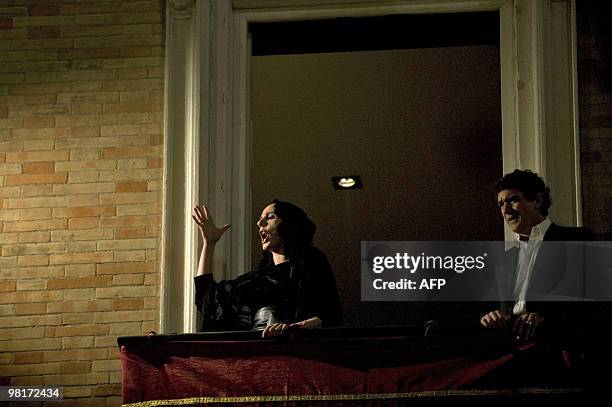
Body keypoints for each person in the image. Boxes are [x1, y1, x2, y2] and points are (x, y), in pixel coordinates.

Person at [193, 199, 342, 338]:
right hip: (256, 356)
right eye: (260, 219)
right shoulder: (258, 278)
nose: (259, 223)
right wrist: (209, 243)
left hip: (297, 356)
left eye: (270, 217)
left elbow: (331, 315)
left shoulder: (312, 261)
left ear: (289, 225)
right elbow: (207, 297)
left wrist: (295, 327)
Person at [480, 169, 594, 341]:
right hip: (511, 349)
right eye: (501, 204)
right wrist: (487, 317)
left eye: (513, 200)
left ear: (538, 200)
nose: (506, 210)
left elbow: (592, 305)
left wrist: (546, 319)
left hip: (556, 347)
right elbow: (491, 308)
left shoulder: (576, 239)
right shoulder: (503, 260)